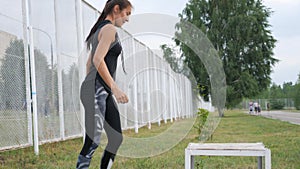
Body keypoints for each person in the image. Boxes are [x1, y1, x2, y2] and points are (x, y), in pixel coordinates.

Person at [76, 0, 132, 168]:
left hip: (99, 90)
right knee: (93, 140)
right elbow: (97, 60)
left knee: (116, 137)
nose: (127, 19)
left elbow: (89, 64)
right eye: (126, 14)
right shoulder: (108, 29)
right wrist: (113, 88)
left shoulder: (101, 29)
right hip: (98, 89)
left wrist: (94, 86)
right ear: (116, 9)